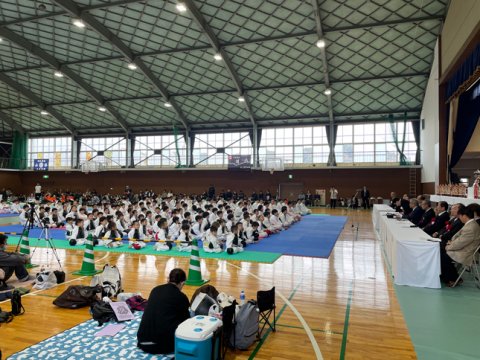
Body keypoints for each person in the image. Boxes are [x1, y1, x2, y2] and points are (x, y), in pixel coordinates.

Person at [137, 268, 190, 355]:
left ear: (168, 279)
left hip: (142, 340)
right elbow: (186, 322)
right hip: (162, 345)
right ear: (182, 283)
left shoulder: (155, 290)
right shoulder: (181, 297)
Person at [440, 206, 480, 286]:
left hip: (466, 252)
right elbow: (457, 237)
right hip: (462, 248)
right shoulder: (470, 224)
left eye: (460, 216)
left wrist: (448, 246)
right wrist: (450, 242)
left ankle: (453, 278)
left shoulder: (471, 227)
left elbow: (460, 243)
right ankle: (448, 276)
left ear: (464, 216)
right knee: (441, 251)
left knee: (443, 255)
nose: (459, 218)